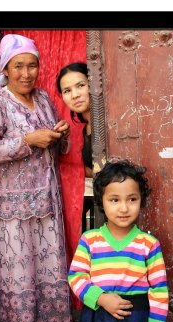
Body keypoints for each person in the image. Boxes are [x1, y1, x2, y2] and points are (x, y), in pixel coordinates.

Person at [0, 34, 73, 322]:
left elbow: (58, 149)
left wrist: (61, 136)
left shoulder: (43, 98)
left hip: (47, 201)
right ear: (6, 68)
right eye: (19, 66)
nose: (27, 73)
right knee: (20, 275)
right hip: (12, 207)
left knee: (51, 270)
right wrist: (28, 140)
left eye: (32, 65)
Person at [67, 159, 169, 322]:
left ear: (141, 200)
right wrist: (101, 299)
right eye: (114, 200)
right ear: (101, 201)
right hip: (97, 321)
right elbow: (76, 277)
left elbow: (159, 291)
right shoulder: (90, 240)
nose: (123, 208)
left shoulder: (149, 245)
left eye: (132, 199)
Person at [56, 62, 93, 231]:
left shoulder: (110, 124)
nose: (75, 95)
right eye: (67, 91)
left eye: (81, 86)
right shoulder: (84, 129)